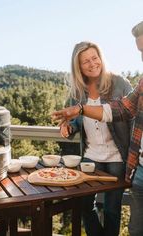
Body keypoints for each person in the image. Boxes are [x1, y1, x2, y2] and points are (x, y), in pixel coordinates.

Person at [52, 20, 143, 236]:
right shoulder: (78, 91)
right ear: (78, 66)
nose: (92, 64)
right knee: (86, 206)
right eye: (86, 61)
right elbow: (119, 110)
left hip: (118, 158)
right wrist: (71, 125)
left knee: (112, 210)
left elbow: (124, 113)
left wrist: (81, 110)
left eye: (95, 58)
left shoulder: (120, 83)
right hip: (94, 157)